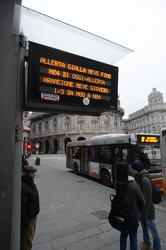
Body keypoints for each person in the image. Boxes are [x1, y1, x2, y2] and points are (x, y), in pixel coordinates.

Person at [131, 160, 162, 250]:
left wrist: (145, 213)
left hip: (148, 211)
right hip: (142, 210)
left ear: (136, 169)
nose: (132, 171)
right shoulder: (138, 177)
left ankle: (157, 246)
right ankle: (147, 242)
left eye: (133, 169)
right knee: (144, 227)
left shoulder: (144, 180)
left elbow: (147, 199)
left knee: (152, 229)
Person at [119, 164, 146, 250]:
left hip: (123, 214)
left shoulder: (119, 183)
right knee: (133, 236)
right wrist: (139, 215)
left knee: (123, 234)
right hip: (133, 215)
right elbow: (142, 202)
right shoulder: (134, 185)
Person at [21, 165, 40, 250]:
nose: (34, 175)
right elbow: (22, 205)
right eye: (32, 173)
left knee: (29, 239)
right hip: (29, 219)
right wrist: (26, 222)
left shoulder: (30, 183)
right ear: (27, 174)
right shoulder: (24, 186)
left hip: (33, 217)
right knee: (26, 243)